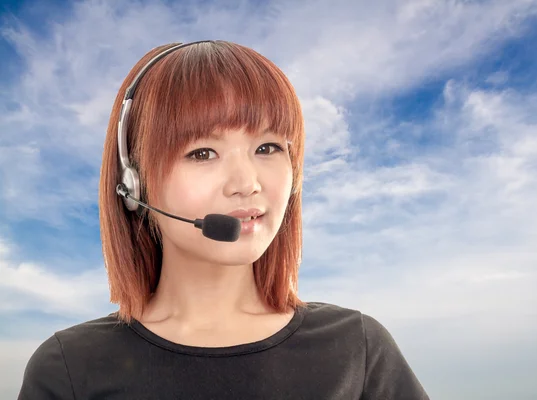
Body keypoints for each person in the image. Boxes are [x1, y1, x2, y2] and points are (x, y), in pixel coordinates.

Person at [17, 40, 429, 399]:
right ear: (134, 183)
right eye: (202, 153)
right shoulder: (69, 368)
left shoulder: (357, 349)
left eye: (268, 147)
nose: (247, 184)